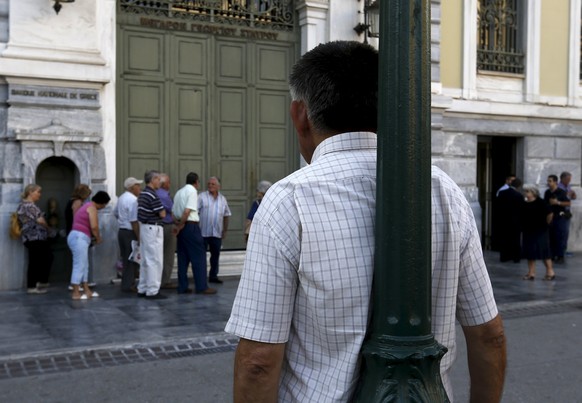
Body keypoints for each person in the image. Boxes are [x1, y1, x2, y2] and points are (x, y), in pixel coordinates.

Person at [225, 41, 506, 402]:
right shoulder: (443, 191)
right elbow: (489, 336)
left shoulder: (288, 201)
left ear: (300, 115)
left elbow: (258, 362)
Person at [172, 172, 217, 295]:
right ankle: (202, 286)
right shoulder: (192, 191)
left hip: (181, 228)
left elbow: (173, 212)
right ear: (196, 182)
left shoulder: (178, 192)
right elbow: (187, 211)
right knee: (199, 257)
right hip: (190, 226)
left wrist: (178, 225)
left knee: (183, 258)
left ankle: (182, 286)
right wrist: (182, 224)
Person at [67, 190, 111, 300]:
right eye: (105, 204)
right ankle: (76, 293)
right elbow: (94, 226)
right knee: (79, 265)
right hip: (79, 238)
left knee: (84, 265)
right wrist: (98, 238)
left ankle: (87, 290)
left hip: (78, 237)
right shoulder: (92, 208)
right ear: (102, 203)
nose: (104, 207)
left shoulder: (87, 205)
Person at [17, 184, 54, 294]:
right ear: (30, 192)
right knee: (36, 261)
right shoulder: (29, 206)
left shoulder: (26, 205)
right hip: (34, 237)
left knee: (43, 258)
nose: (40, 195)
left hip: (34, 237)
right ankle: (33, 286)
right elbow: (40, 220)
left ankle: (39, 282)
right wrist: (49, 229)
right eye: (38, 192)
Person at [137, 170, 167, 299]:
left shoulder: (142, 194)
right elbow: (162, 213)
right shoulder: (152, 195)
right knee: (155, 260)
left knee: (145, 260)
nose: (160, 182)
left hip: (144, 227)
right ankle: (153, 290)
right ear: (152, 180)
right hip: (153, 228)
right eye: (158, 179)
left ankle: (143, 288)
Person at [198, 176, 231, 284]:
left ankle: (213, 276)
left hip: (216, 233)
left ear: (218, 186)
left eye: (213, 184)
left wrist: (225, 230)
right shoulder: (202, 197)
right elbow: (195, 212)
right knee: (201, 257)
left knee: (215, 256)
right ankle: (201, 277)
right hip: (203, 233)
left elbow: (226, 214)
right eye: (209, 184)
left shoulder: (222, 199)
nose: (210, 186)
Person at [521, 185, 555, 281]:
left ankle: (550, 271)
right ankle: (531, 272)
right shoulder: (525, 203)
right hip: (528, 231)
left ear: (533, 192)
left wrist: (546, 224)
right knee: (530, 252)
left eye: (528, 191)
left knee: (544, 251)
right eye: (525, 191)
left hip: (540, 230)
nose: (526, 193)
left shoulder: (541, 202)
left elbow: (550, 213)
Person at [115, 177, 142, 292]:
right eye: (137, 186)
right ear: (132, 188)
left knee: (126, 258)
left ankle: (127, 283)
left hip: (122, 231)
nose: (140, 188)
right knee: (131, 259)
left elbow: (115, 212)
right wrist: (139, 236)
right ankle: (129, 285)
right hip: (130, 232)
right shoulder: (133, 200)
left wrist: (122, 220)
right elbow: (134, 221)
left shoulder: (121, 198)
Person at [64, 184, 94, 290]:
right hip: (77, 233)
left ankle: (81, 282)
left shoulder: (71, 201)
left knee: (80, 260)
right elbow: (77, 218)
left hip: (73, 232)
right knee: (80, 261)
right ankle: (76, 285)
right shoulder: (77, 202)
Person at [156, 173, 177, 289]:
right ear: (164, 184)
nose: (170, 184)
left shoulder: (154, 193)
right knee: (168, 254)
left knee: (158, 255)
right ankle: (165, 280)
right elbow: (173, 211)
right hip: (167, 226)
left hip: (156, 227)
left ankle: (157, 279)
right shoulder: (164, 195)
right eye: (168, 182)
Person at [544, 174, 570, 264]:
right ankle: (552, 255)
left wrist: (557, 202)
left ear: (555, 182)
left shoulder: (561, 192)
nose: (548, 183)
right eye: (548, 181)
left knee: (560, 236)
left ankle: (560, 256)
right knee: (551, 236)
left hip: (560, 217)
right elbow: (545, 204)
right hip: (550, 217)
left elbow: (568, 203)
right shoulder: (547, 192)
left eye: (550, 181)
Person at [496, 177, 524, 263]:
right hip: (515, 220)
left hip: (503, 219)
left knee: (504, 238)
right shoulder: (519, 196)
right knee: (515, 239)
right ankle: (516, 257)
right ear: (519, 186)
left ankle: (504, 256)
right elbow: (521, 210)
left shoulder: (502, 193)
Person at [558, 171, 576, 255]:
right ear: (562, 179)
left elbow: (572, 197)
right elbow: (560, 199)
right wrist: (567, 194)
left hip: (567, 211)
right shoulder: (558, 187)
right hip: (560, 211)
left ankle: (563, 249)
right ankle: (560, 250)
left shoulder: (568, 186)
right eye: (567, 179)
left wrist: (573, 195)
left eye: (570, 179)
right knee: (562, 231)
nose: (569, 181)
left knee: (566, 231)